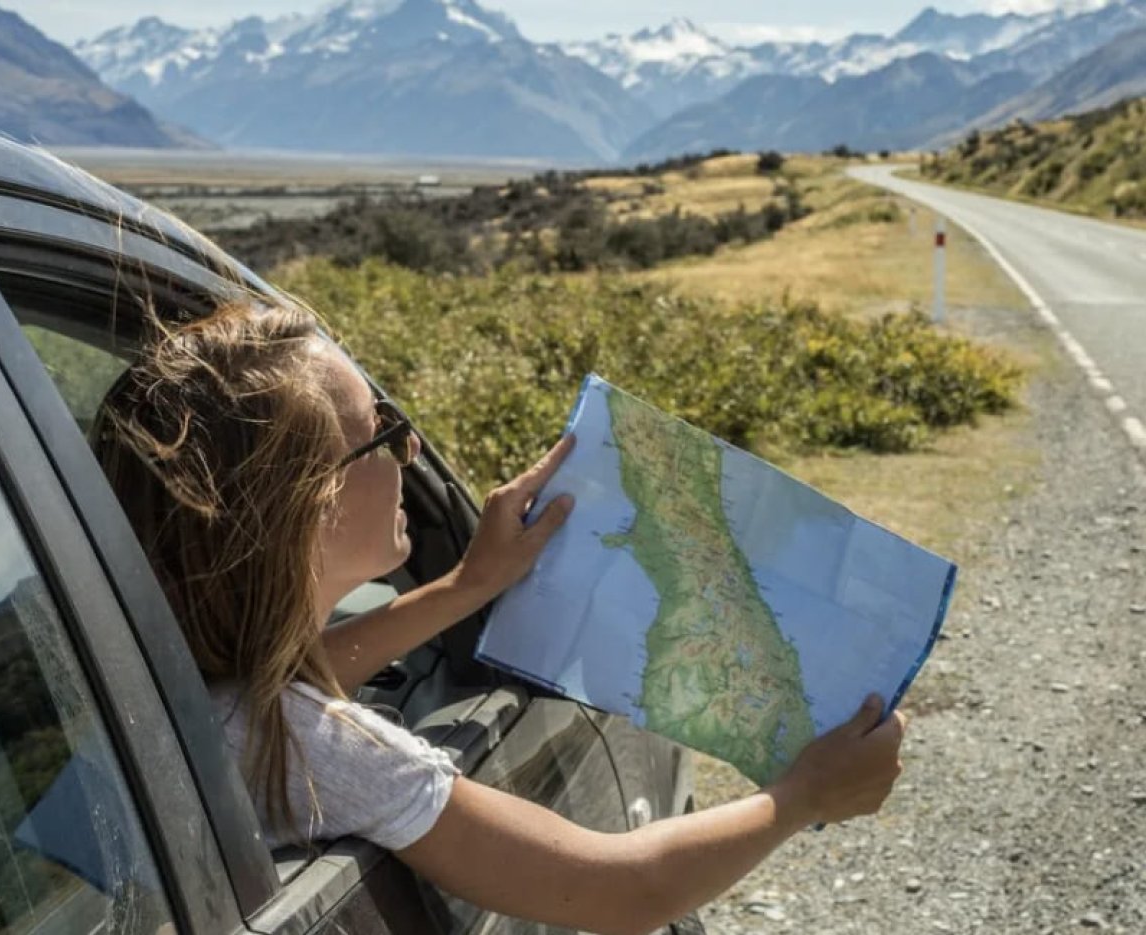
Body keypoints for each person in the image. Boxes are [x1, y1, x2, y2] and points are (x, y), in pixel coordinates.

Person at [92, 299, 907, 935]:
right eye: (384, 435)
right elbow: (624, 887)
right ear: (314, 507)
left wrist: (467, 585)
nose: (408, 455)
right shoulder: (327, 753)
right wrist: (803, 795)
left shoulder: (184, 695)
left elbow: (283, 684)